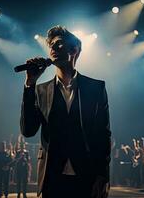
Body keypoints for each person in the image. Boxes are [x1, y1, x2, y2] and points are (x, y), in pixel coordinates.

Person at [20, 25, 111, 198]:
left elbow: (103, 135)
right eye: (51, 45)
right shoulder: (40, 90)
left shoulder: (96, 88)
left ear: (74, 50)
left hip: (86, 176)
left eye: (59, 43)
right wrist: (30, 84)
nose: (53, 48)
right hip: (51, 178)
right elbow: (28, 131)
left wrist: (103, 175)